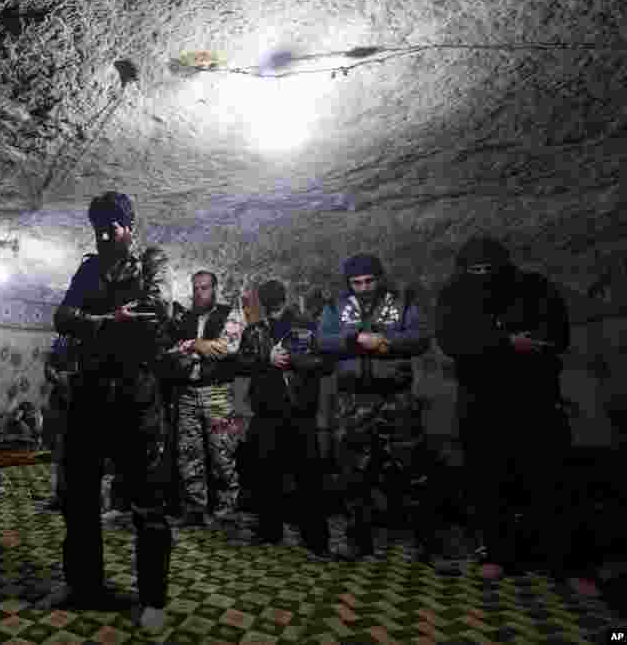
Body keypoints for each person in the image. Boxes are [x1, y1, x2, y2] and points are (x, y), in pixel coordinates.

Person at [435, 237, 600, 596]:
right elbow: (452, 341)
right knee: (488, 481)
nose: (482, 276)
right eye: (474, 271)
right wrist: (506, 343)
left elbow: (556, 334)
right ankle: (497, 553)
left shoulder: (535, 287)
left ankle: (566, 562)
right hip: (481, 403)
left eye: (488, 270)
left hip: (534, 400)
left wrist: (494, 342)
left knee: (551, 481)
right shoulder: (454, 294)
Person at [46, 191, 178, 633]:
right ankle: (83, 585)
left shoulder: (152, 262)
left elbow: (155, 308)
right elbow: (62, 317)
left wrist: (97, 318)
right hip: (87, 397)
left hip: (135, 397)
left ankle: (153, 599)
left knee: (147, 504)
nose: (105, 235)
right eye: (99, 228)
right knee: (79, 499)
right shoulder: (88, 267)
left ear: (130, 227)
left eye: (113, 227)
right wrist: (106, 320)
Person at [317, 254, 440, 564]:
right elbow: (322, 341)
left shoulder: (402, 302)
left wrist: (385, 342)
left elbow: (421, 338)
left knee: (412, 470)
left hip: (396, 399)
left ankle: (424, 543)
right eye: (356, 283)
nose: (363, 288)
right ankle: (358, 541)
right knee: (353, 473)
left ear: (379, 278)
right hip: (353, 401)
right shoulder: (336, 307)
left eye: (369, 281)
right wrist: (355, 339)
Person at [238, 280, 333, 552]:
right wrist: (265, 359)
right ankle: (270, 531)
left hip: (300, 410)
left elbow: (325, 362)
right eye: (267, 298)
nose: (272, 302)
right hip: (267, 411)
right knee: (267, 475)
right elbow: (241, 363)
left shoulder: (305, 326)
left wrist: (294, 360)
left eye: (275, 297)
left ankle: (315, 537)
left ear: (283, 297)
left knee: (309, 477)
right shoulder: (255, 330)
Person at [170, 271, 244, 526]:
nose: (199, 293)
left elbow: (227, 347)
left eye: (205, 288)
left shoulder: (230, 313)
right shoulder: (184, 318)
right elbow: (171, 349)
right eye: (196, 288)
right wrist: (197, 345)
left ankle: (226, 510)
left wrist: (191, 347)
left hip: (218, 393)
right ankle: (194, 508)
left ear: (215, 289)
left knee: (223, 452)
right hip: (187, 393)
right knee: (188, 453)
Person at [43, 334, 79, 511]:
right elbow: (48, 367)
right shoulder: (61, 341)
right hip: (62, 402)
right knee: (61, 452)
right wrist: (59, 378)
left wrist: (73, 379)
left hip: (84, 401)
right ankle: (61, 495)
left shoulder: (96, 335)